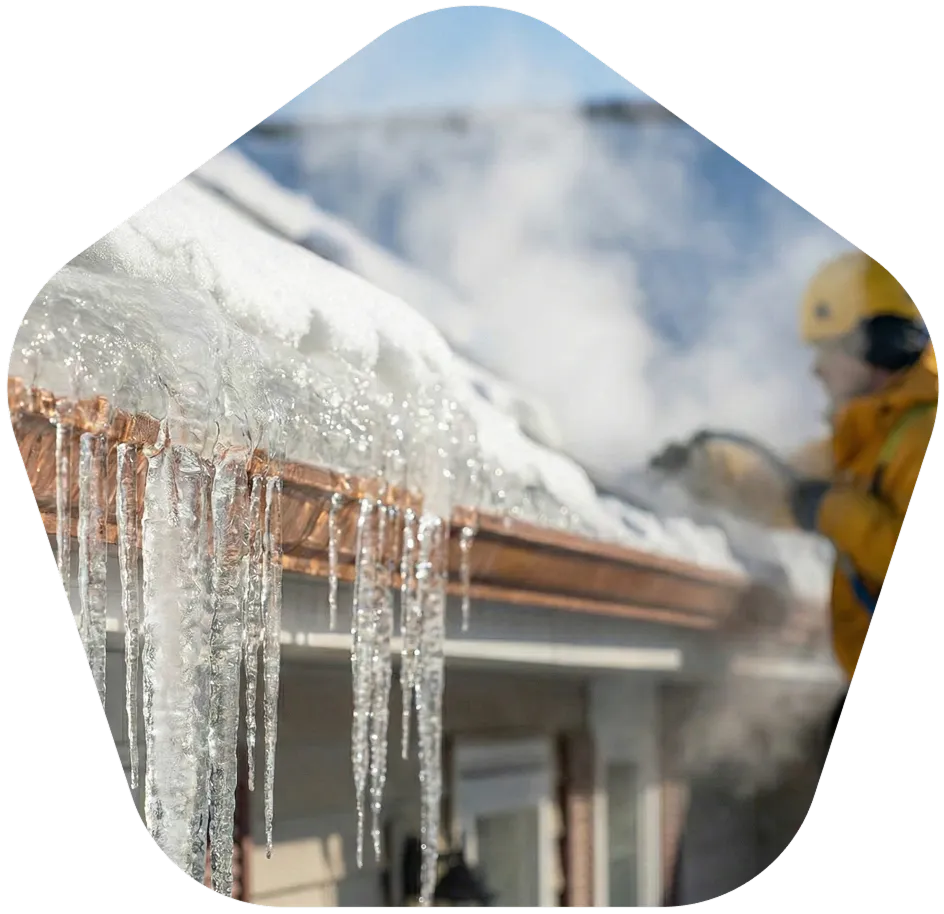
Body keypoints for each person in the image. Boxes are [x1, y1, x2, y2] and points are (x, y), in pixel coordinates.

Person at [650, 250, 938, 705]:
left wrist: (832, 511)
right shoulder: (862, 444)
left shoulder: (919, 433)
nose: (816, 369)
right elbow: (777, 486)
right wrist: (705, 469)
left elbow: (821, 505)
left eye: (827, 349)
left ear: (875, 344)